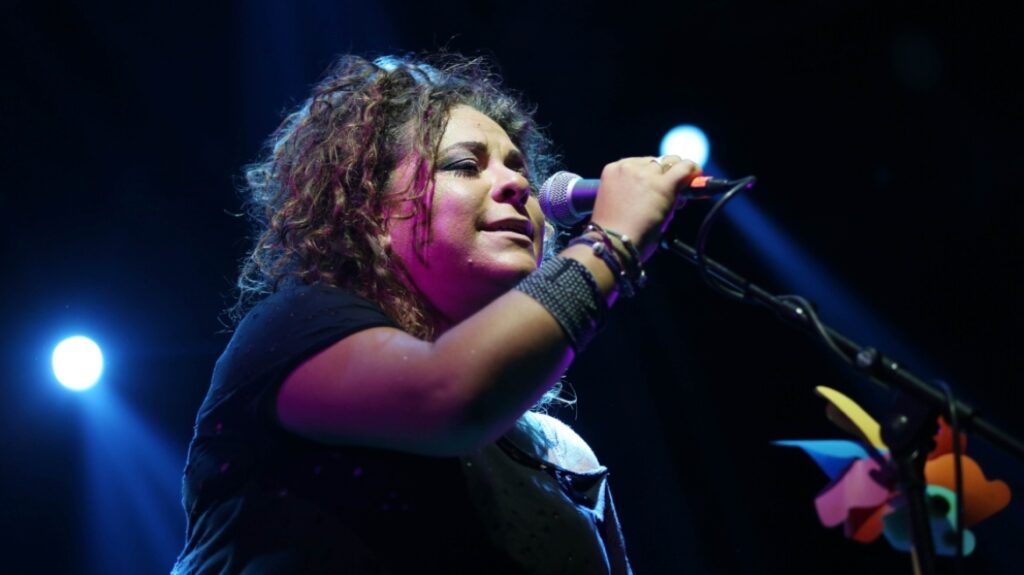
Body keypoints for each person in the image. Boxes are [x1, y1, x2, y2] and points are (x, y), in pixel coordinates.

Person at [172, 53, 699, 574]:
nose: (519, 186)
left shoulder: (564, 457)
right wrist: (611, 242)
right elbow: (449, 395)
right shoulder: (292, 328)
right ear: (370, 214)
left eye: (519, 168)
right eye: (465, 166)